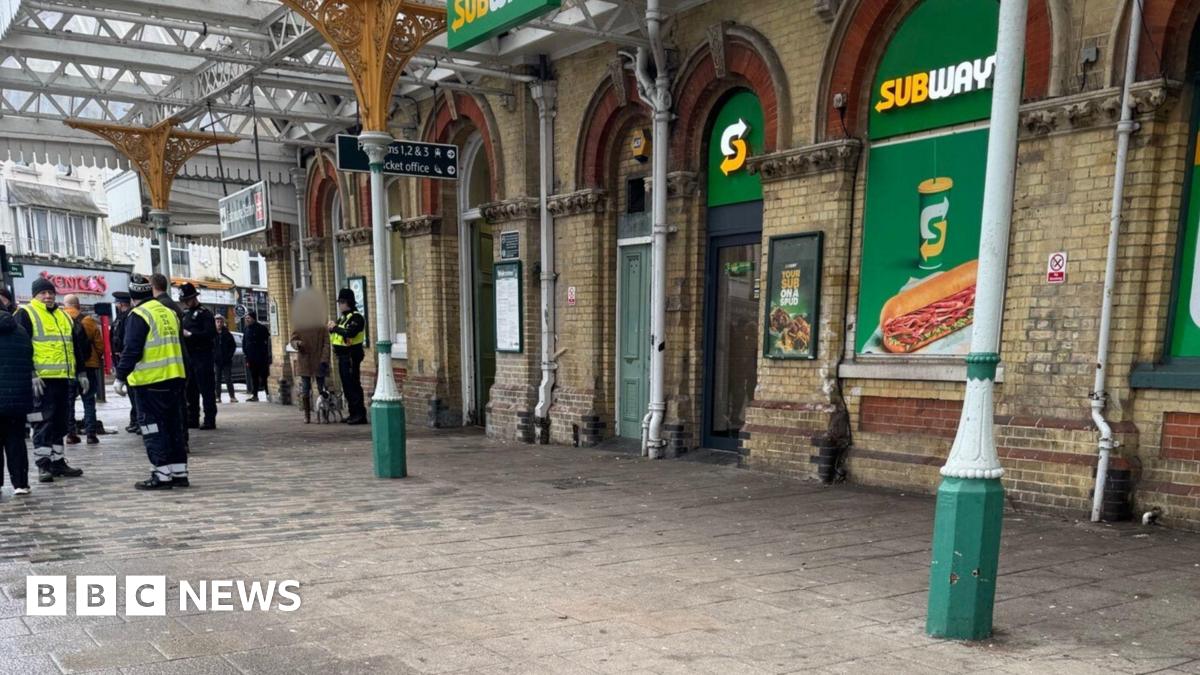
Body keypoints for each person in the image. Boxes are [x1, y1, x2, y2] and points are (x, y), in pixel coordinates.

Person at [113, 274, 188, 490]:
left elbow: (132, 350)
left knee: (152, 428)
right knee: (173, 426)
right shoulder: (169, 312)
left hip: (150, 382)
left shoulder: (138, 315)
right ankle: (179, 472)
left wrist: (120, 376)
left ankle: (161, 475)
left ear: (133, 296)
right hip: (175, 378)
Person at [15, 277, 85, 482]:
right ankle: (43, 465)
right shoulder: (25, 314)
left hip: (63, 378)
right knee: (42, 422)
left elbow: (75, 346)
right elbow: (22, 347)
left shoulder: (63, 316)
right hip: (42, 380)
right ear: (34, 295)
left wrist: (80, 372)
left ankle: (58, 461)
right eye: (42, 293)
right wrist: (31, 373)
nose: (47, 296)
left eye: (50, 292)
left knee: (60, 423)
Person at [0, 292, 33, 497]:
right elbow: (28, 358)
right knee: (16, 440)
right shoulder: (19, 331)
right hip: (17, 397)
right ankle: (20, 483)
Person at [63, 294, 104, 445]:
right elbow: (99, 345)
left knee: (69, 402)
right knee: (88, 401)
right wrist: (94, 358)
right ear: (78, 305)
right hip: (88, 366)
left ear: (64, 305)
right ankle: (91, 434)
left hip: (68, 367)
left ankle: (70, 434)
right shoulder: (88, 321)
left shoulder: (60, 320)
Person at [179, 283, 217, 430]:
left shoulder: (204, 314)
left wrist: (191, 335)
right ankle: (192, 417)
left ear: (194, 297)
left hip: (203, 356)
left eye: (188, 299)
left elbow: (210, 334)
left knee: (206, 389)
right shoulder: (186, 314)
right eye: (184, 300)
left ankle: (209, 419)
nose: (186, 302)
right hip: (190, 356)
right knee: (191, 389)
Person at [328, 288, 367, 425]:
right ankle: (352, 413)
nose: (339, 305)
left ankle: (360, 414)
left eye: (341, 302)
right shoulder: (343, 318)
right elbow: (337, 334)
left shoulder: (356, 317)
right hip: (342, 356)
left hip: (351, 355)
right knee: (346, 386)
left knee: (353, 384)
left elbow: (350, 333)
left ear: (348, 302)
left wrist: (334, 328)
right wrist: (332, 329)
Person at [290, 299, 331, 424]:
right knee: (305, 389)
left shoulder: (321, 326)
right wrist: (297, 344)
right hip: (305, 360)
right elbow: (292, 340)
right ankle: (307, 414)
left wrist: (324, 359)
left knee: (321, 388)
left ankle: (324, 414)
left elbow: (326, 343)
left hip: (318, 360)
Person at [111, 291, 139, 434]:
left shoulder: (129, 317)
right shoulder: (120, 318)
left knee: (135, 393)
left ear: (121, 304)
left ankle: (138, 421)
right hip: (121, 359)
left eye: (117, 303)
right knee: (132, 393)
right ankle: (135, 420)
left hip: (128, 360)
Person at [242, 312, 272, 402]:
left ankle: (268, 394)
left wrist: (266, 355)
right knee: (254, 377)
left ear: (253, 318)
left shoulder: (261, 328)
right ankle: (255, 395)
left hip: (261, 357)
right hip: (251, 357)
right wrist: (246, 354)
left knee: (264, 376)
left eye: (249, 318)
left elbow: (267, 342)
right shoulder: (246, 329)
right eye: (246, 318)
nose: (247, 319)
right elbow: (244, 342)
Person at [214, 315, 238, 403]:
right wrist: (214, 356)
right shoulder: (212, 334)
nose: (219, 323)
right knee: (217, 380)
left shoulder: (227, 334)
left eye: (221, 322)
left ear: (223, 323)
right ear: (215, 323)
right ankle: (217, 397)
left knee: (228, 379)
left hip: (226, 361)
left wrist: (229, 356)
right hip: (217, 361)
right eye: (217, 322)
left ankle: (232, 397)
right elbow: (209, 346)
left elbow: (233, 346)